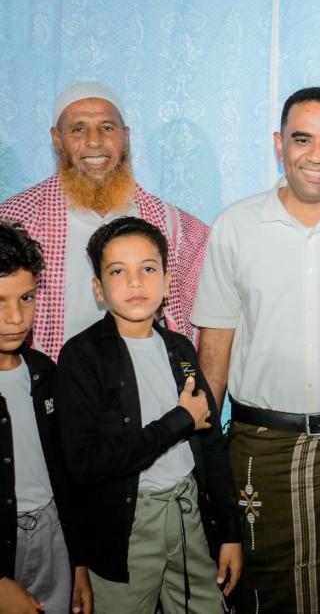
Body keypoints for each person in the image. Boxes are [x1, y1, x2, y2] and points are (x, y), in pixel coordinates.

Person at [192, 86, 320, 613]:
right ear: (278, 143)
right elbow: (214, 346)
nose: (317, 156)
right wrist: (203, 450)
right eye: (302, 139)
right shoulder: (235, 226)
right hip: (259, 449)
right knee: (261, 587)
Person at [54, 217, 241, 613]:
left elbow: (210, 444)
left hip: (188, 513)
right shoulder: (82, 357)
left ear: (167, 282)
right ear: (99, 288)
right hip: (126, 525)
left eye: (148, 269)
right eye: (118, 272)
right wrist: (179, 421)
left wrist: (230, 531)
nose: (135, 282)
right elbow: (86, 463)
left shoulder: (180, 349)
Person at [0, 81, 209, 358]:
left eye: (107, 128)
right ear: (57, 139)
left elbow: (206, 326)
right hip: (51, 380)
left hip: (145, 380)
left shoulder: (178, 230)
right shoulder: (14, 221)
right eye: (78, 129)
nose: (94, 141)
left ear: (125, 136)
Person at [0, 220, 91, 614]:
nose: (16, 317)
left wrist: (78, 561)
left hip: (53, 532)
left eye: (26, 298)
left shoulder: (43, 371)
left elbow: (65, 473)